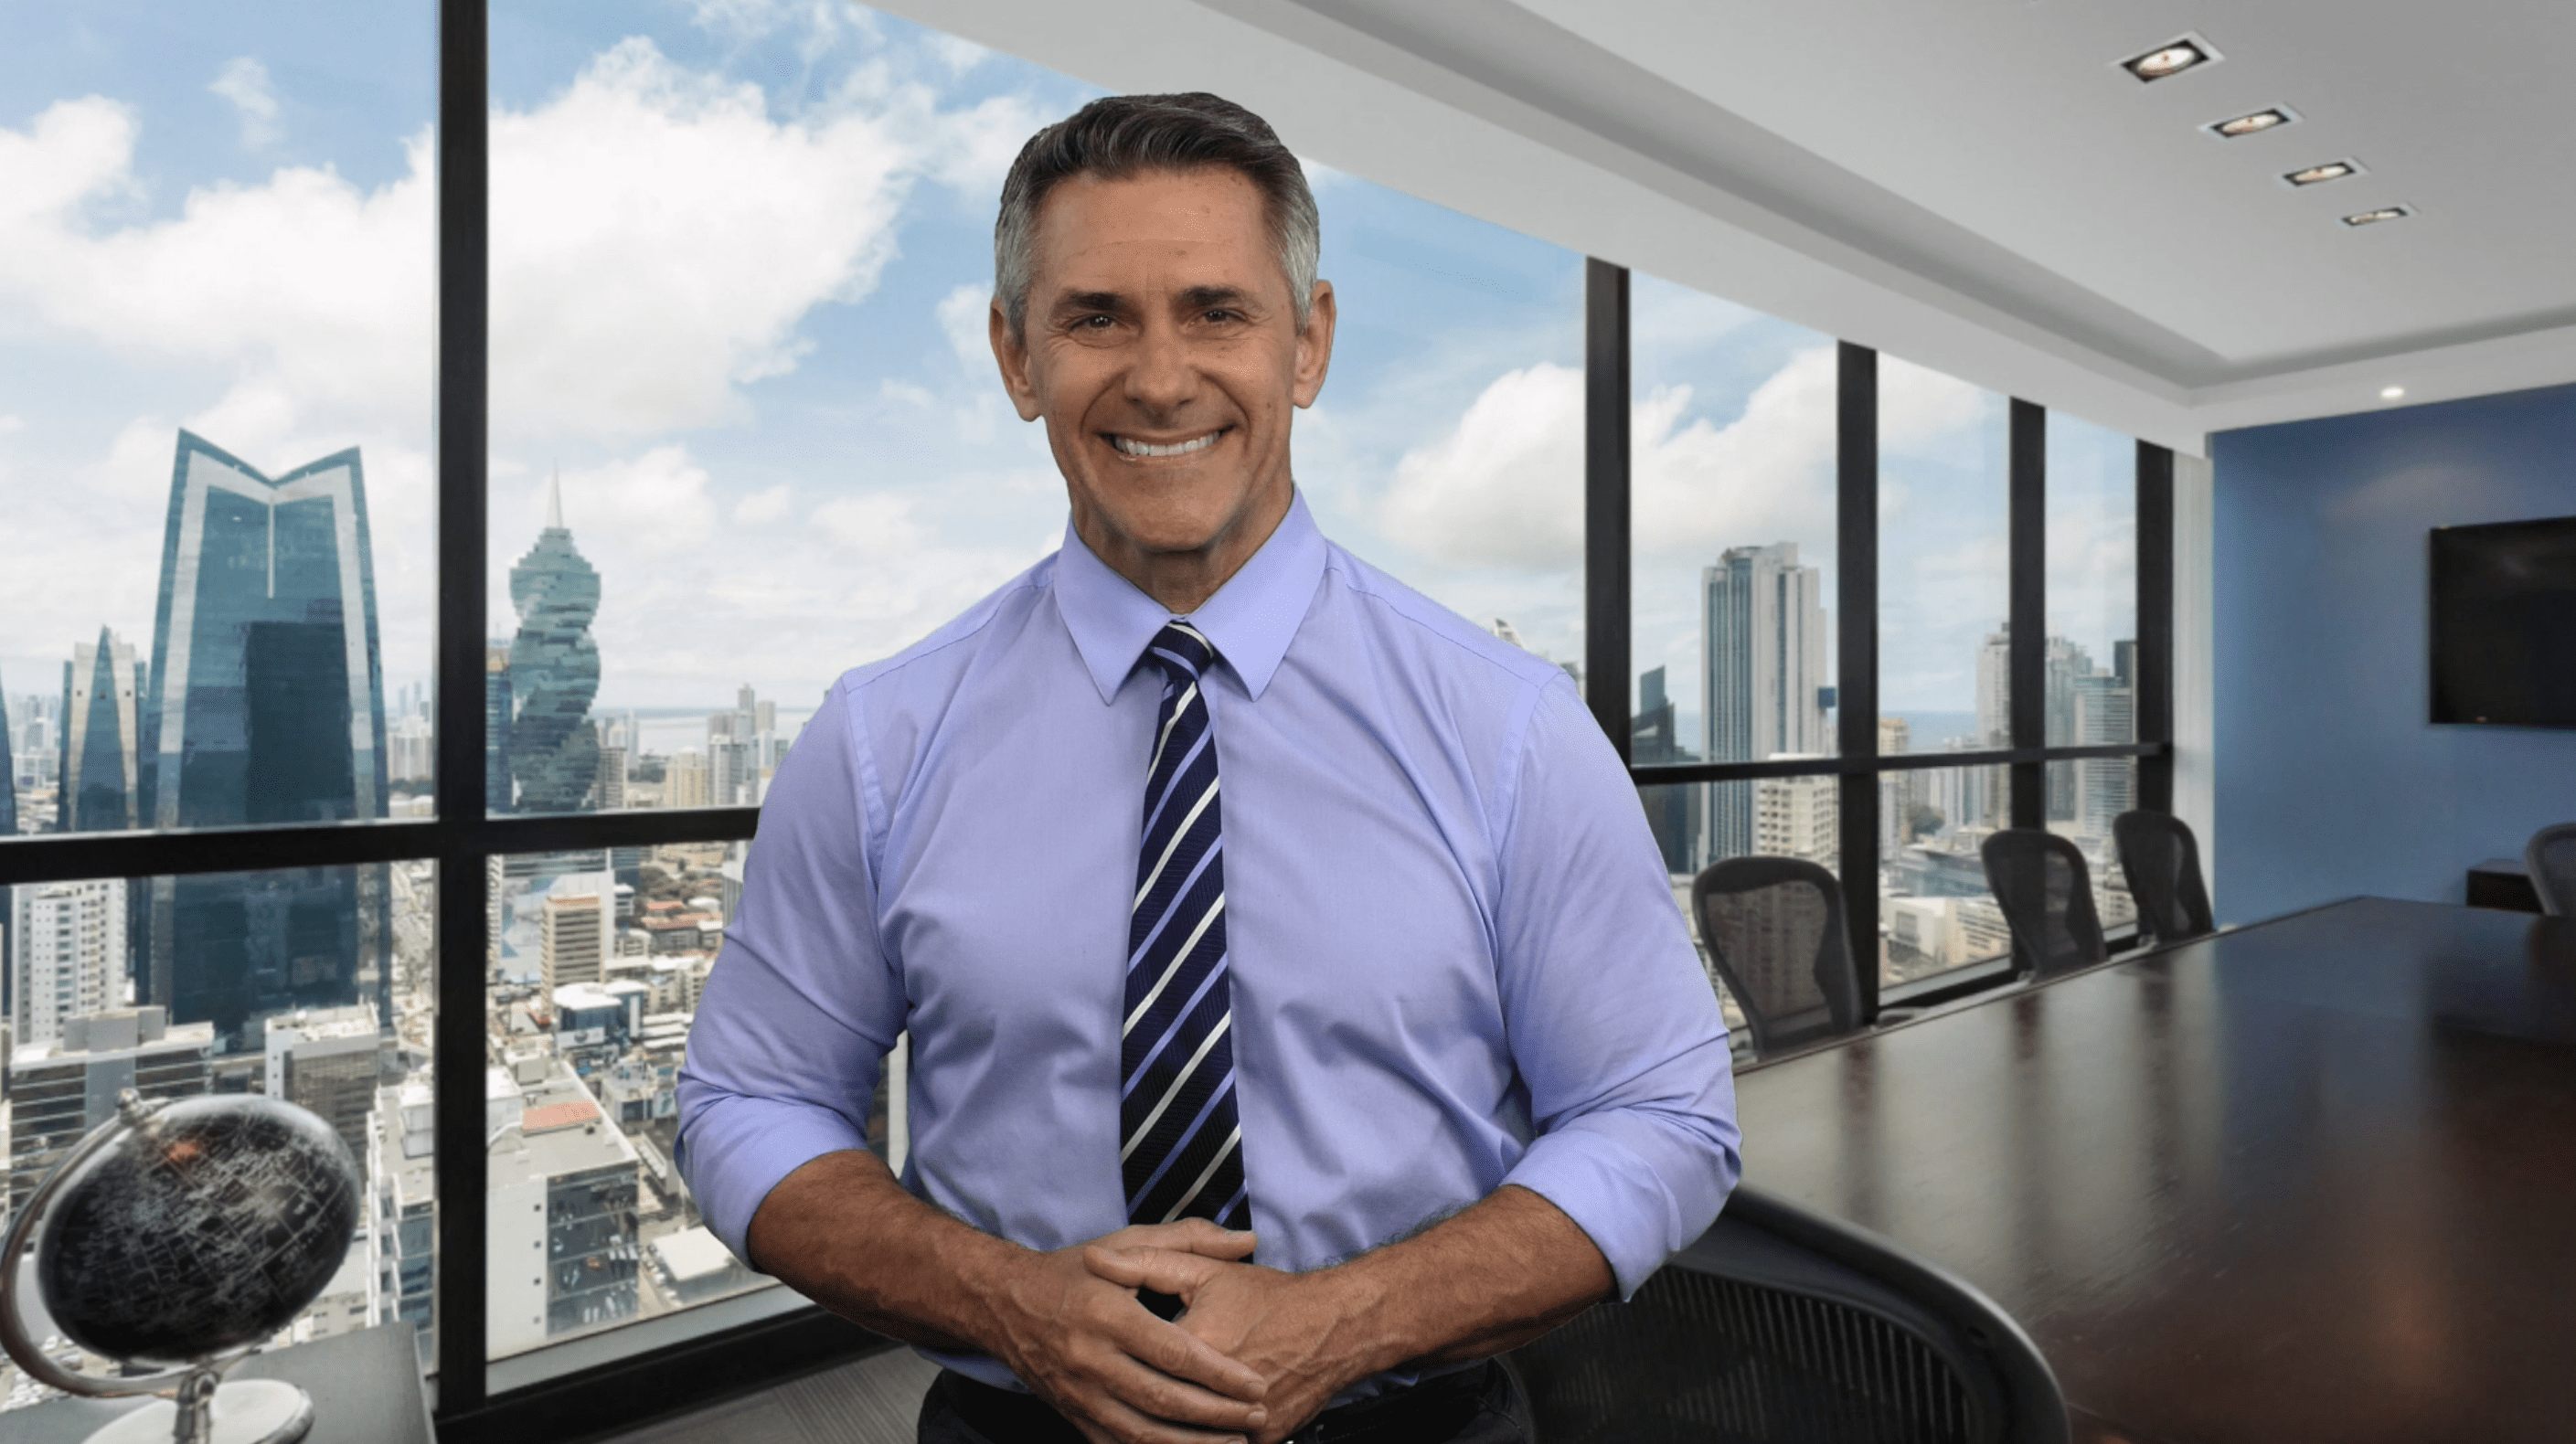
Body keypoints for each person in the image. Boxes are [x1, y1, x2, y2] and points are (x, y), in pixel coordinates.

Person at [675, 91, 1740, 1444]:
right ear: (1015, 360)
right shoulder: (882, 735)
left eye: (1217, 311)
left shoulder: (1510, 726)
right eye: (1095, 317)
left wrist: (1340, 1321)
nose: (1161, 376)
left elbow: (1656, 1115)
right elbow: (748, 1101)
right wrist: (1011, 1303)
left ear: (1309, 343)